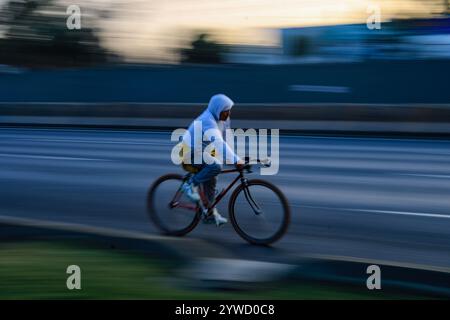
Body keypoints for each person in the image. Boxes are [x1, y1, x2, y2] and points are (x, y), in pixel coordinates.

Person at [180, 94, 244, 226]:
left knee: (213, 176)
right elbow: (219, 142)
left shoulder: (224, 119)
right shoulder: (207, 120)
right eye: (225, 111)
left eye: (229, 110)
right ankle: (190, 185)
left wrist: (236, 158)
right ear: (217, 109)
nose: (228, 113)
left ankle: (209, 213)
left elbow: (226, 140)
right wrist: (235, 159)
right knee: (215, 166)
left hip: (204, 151)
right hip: (188, 152)